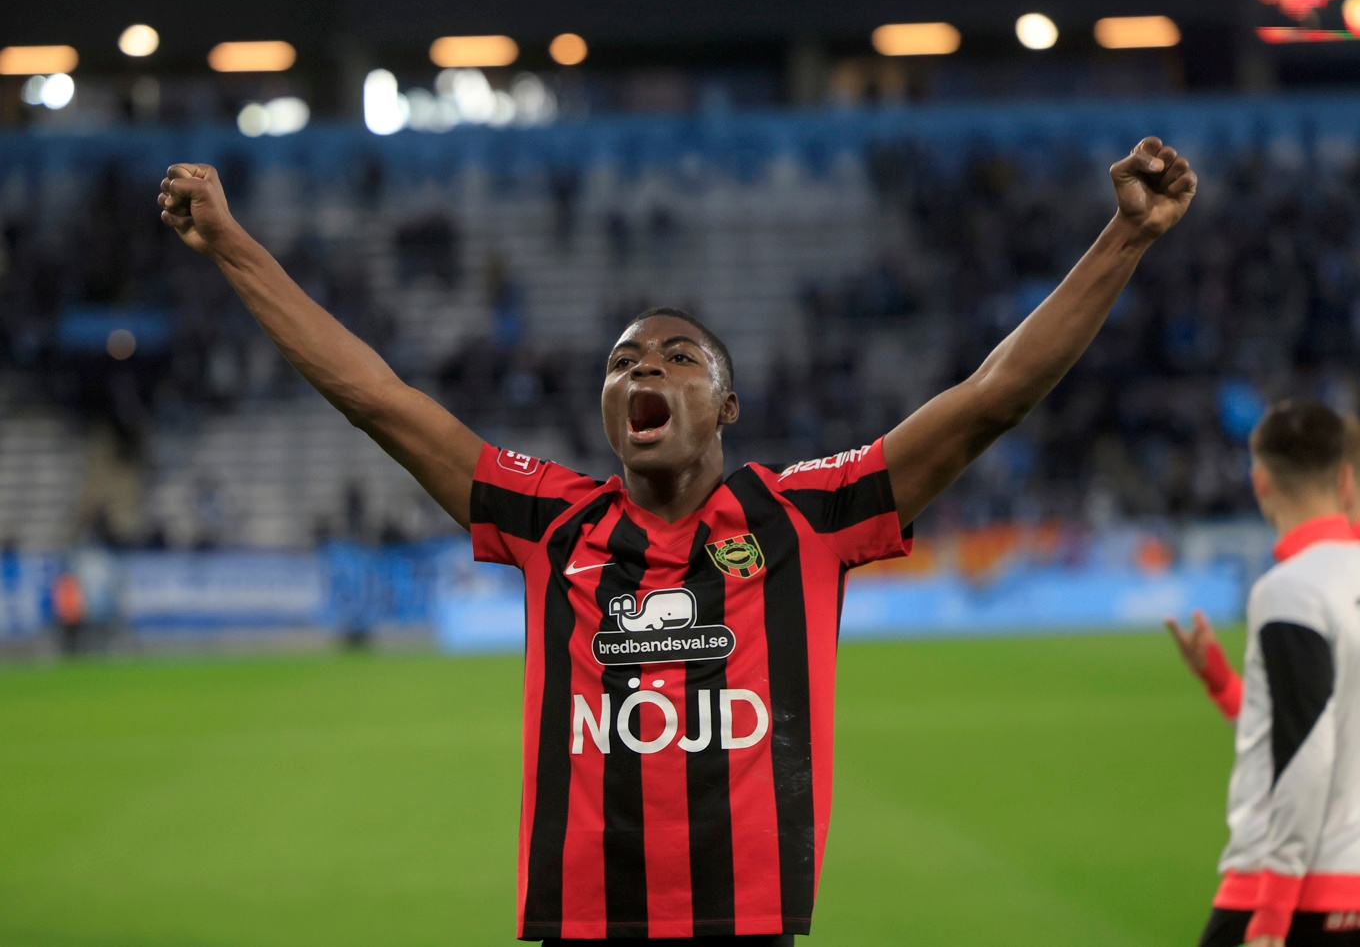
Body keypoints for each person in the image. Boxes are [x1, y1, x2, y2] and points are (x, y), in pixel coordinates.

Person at [157, 136, 1195, 943]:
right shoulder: (550, 519)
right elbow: (375, 398)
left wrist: (1126, 238)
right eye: (621, 359)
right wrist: (231, 244)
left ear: (727, 403)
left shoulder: (805, 513)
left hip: (743, 924)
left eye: (677, 354)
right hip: (583, 920)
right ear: (607, 404)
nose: (643, 366)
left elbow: (989, 400)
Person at [1166, 401, 1360, 947]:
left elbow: (1307, 748)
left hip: (1289, 891)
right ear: (1344, 479)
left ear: (1260, 482)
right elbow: (1321, 716)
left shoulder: (1289, 590)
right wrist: (1222, 683)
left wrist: (1272, 917)